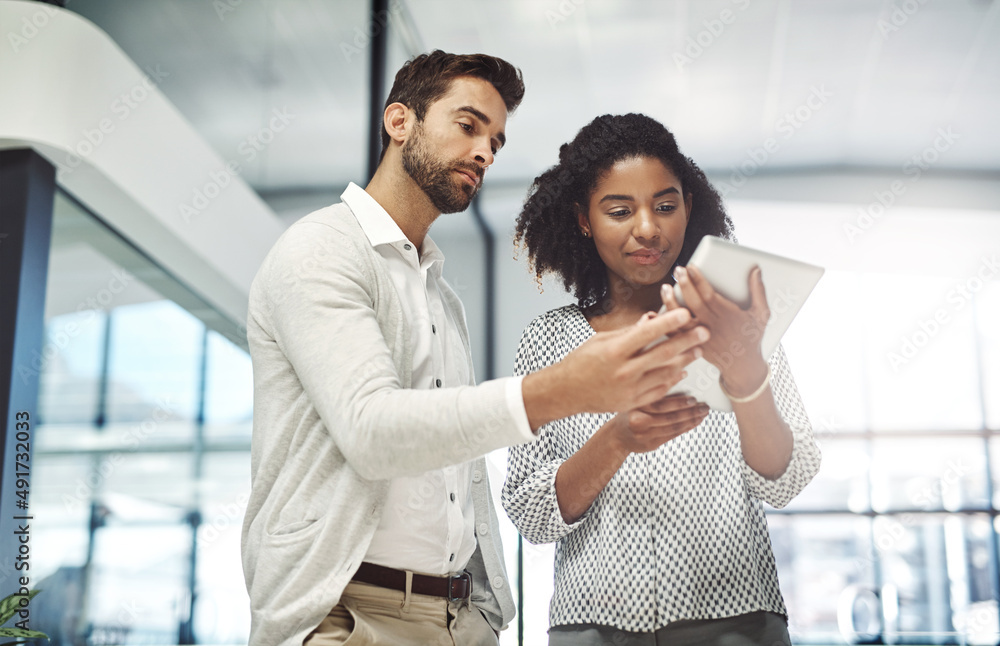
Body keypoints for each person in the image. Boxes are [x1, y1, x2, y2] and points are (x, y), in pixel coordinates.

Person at [241, 54, 707, 646]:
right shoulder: (320, 251)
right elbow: (371, 431)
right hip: (347, 614)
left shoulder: (439, 294)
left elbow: (454, 466)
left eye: (496, 141)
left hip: (458, 618)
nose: (486, 151)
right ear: (399, 121)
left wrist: (482, 615)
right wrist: (564, 389)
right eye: (468, 126)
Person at [502, 113, 822, 646]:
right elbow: (532, 512)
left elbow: (785, 478)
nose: (648, 228)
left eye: (665, 206)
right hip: (591, 626)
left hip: (737, 618)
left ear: (688, 208)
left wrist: (746, 377)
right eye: (620, 210)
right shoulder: (548, 342)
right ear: (584, 219)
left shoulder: (736, 320)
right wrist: (618, 437)